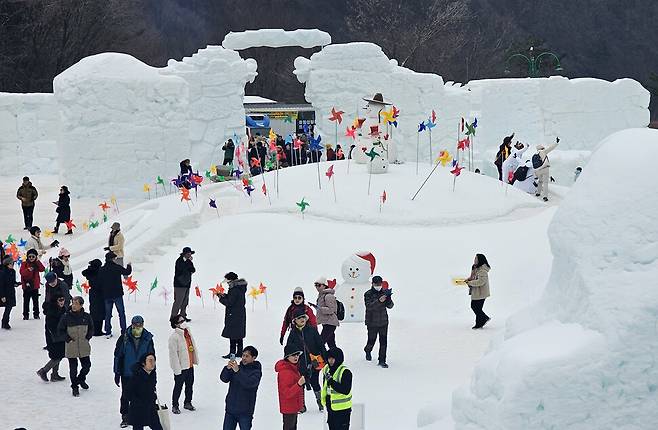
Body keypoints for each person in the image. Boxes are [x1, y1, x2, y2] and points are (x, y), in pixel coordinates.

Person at [114, 315, 155, 428]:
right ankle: (125, 415)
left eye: (140, 325)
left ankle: (141, 416)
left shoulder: (147, 338)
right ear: (132, 325)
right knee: (126, 395)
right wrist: (117, 372)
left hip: (142, 374)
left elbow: (151, 357)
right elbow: (118, 356)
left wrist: (151, 373)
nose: (138, 328)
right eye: (136, 326)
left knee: (142, 396)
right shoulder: (124, 338)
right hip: (127, 372)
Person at [285, 309, 327, 413]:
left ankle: (320, 402)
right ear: (295, 320)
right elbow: (288, 349)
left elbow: (320, 344)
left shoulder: (312, 330)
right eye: (299, 318)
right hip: (300, 363)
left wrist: (325, 358)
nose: (302, 319)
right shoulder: (293, 333)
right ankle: (301, 405)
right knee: (301, 384)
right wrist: (288, 362)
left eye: (303, 317)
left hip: (314, 362)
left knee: (315, 382)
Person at [57, 296, 94, 397]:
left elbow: (91, 328)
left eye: (76, 303)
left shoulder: (87, 316)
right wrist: (67, 339)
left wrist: (88, 336)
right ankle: (74, 387)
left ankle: (81, 379)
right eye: (73, 303)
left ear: (81, 305)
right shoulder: (66, 317)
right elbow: (60, 330)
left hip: (83, 345)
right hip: (71, 346)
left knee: (87, 366)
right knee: (73, 368)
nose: (73, 305)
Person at [219, 345, 262, 430]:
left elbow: (249, 383)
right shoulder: (237, 368)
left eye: (247, 356)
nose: (244, 358)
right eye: (243, 355)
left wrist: (238, 371)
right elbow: (224, 379)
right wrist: (227, 369)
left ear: (254, 358)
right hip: (230, 409)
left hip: (245, 412)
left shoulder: (256, 372)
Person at [168, 314, 198, 415]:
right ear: (176, 324)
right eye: (181, 321)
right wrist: (177, 370)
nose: (183, 322)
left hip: (189, 365)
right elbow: (173, 356)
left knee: (189, 385)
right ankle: (175, 405)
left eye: (183, 320)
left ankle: (188, 402)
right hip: (180, 367)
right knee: (178, 386)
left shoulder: (187, 332)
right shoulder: (174, 338)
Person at [99, 251, 132, 338]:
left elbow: (99, 281)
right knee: (121, 313)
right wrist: (129, 265)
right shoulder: (117, 267)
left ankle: (108, 331)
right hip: (117, 294)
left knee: (108, 314)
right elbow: (127, 272)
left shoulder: (102, 269)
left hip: (107, 295)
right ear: (113, 259)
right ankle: (124, 331)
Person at [364, 275, 394, 368]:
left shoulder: (384, 293)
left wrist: (388, 299)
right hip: (372, 322)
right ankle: (367, 350)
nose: (378, 286)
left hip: (383, 322)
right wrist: (379, 301)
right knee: (371, 340)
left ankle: (382, 360)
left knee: (383, 342)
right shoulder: (368, 294)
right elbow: (369, 306)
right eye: (376, 284)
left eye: (380, 284)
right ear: (372, 284)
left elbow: (390, 306)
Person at [128, 352, 164, 430]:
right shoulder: (136, 375)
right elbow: (127, 393)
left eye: (154, 360)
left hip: (150, 406)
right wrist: (137, 401)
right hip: (138, 408)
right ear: (143, 363)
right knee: (138, 427)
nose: (153, 363)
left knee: (157, 427)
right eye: (150, 361)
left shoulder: (153, 373)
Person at [37, 293, 66, 382]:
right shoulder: (52, 311)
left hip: (60, 336)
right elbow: (51, 326)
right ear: (55, 301)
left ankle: (54, 374)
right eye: (60, 300)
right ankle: (44, 370)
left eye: (63, 299)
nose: (62, 302)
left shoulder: (62, 309)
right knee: (57, 356)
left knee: (59, 355)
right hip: (53, 338)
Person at [321, 347, 353, 430]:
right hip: (330, 405)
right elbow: (325, 385)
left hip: (343, 409)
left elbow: (346, 390)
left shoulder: (345, 372)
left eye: (333, 358)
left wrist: (331, 382)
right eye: (329, 358)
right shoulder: (326, 369)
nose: (330, 361)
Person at [218, 272, 247, 359]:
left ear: (230, 280)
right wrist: (225, 295)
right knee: (239, 335)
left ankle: (232, 354)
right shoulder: (239, 287)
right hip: (239, 314)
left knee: (233, 335)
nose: (227, 283)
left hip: (233, 314)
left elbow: (230, 302)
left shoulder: (234, 289)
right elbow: (234, 299)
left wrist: (221, 298)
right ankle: (239, 352)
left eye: (227, 282)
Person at [276, 346, 305, 430]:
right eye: (293, 355)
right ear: (287, 356)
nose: (296, 357)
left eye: (297, 355)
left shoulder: (293, 367)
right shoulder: (285, 371)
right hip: (289, 408)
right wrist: (299, 384)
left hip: (293, 407)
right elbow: (287, 393)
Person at [465, 254, 491, 329]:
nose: (474, 260)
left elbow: (480, 282)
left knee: (476, 307)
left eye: (476, 258)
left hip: (481, 292)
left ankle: (482, 320)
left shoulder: (483, 270)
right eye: (474, 258)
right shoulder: (476, 268)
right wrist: (468, 279)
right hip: (477, 292)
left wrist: (470, 283)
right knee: (476, 307)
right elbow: (473, 277)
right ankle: (481, 322)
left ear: (480, 260)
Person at [171, 247, 195, 321]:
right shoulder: (179, 261)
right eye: (188, 253)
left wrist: (189, 263)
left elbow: (193, 270)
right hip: (179, 285)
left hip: (187, 284)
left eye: (190, 253)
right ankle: (173, 317)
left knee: (185, 302)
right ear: (184, 254)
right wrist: (188, 263)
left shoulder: (189, 262)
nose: (190, 255)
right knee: (178, 302)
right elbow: (182, 269)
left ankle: (183, 316)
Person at [19, 249, 45, 320]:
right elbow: (21, 273)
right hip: (26, 286)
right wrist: (28, 270)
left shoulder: (37, 263)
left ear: (36, 257)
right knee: (26, 301)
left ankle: (36, 314)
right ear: (27, 257)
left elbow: (42, 269)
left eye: (33, 257)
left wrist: (37, 261)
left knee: (35, 301)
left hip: (35, 286)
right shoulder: (24, 264)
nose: (31, 258)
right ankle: (25, 314)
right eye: (29, 256)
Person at [314, 277, 339, 349]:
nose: (317, 287)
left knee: (321, 343)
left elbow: (331, 309)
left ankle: (320, 358)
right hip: (326, 322)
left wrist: (320, 309)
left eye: (319, 285)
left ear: (324, 285)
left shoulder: (328, 296)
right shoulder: (321, 296)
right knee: (331, 344)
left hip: (330, 323)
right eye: (315, 285)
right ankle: (335, 358)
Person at [82, 259, 105, 336]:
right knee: (100, 311)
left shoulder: (90, 271)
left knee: (94, 311)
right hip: (100, 293)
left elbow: (84, 272)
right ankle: (98, 330)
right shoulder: (99, 272)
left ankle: (94, 329)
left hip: (93, 293)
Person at [534, 137, 559, 202]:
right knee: (545, 183)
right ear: (541, 148)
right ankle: (545, 196)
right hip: (545, 169)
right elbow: (551, 148)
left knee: (540, 181)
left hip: (538, 170)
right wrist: (556, 143)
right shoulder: (543, 152)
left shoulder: (535, 154)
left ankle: (538, 193)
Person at [0, 255, 18, 329]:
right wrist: (2, 296)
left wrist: (16, 283)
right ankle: (4, 322)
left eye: (13, 263)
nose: (12, 265)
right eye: (11, 263)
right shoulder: (2, 272)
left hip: (11, 292)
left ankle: (5, 322)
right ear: (7, 264)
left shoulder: (13, 271)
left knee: (9, 308)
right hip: (4, 292)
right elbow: (1, 284)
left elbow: (13, 281)